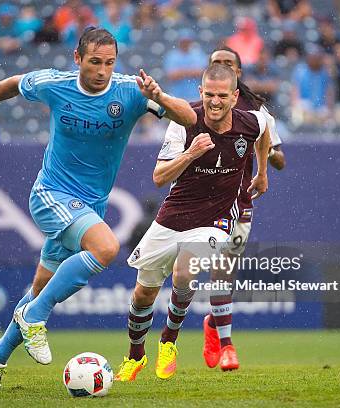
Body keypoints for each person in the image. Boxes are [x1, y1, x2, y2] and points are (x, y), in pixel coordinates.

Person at [0, 27, 196, 391]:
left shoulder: (131, 90)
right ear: (77, 59)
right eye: (95, 62)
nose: (102, 70)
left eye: (110, 63)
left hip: (88, 206)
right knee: (106, 247)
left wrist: (159, 96)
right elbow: (15, 83)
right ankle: (35, 316)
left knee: (39, 289)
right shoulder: (55, 84)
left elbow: (188, 118)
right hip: (51, 193)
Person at [115, 63, 271, 382]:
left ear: (235, 96)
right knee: (143, 294)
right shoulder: (183, 123)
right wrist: (190, 155)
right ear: (200, 92)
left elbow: (265, 132)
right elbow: (159, 177)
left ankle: (168, 341)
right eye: (209, 94)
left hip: (215, 219)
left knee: (184, 271)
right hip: (173, 216)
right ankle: (135, 356)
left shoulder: (252, 120)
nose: (215, 102)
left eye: (222, 96)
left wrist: (263, 172)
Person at [198, 45, 285, 372]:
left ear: (238, 73)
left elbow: (278, 158)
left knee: (221, 273)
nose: (222, 66)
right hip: (198, 202)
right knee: (187, 273)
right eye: (216, 63)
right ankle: (221, 340)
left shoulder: (257, 113)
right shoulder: (195, 111)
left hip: (237, 203)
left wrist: (266, 158)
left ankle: (218, 331)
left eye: (228, 63)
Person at [164, 29, 207, 101]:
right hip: (176, 95)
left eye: (187, 41)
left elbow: (202, 73)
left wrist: (181, 72)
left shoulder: (198, 53)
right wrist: (191, 72)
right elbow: (171, 75)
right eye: (183, 41)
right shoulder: (172, 55)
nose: (185, 43)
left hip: (195, 95)